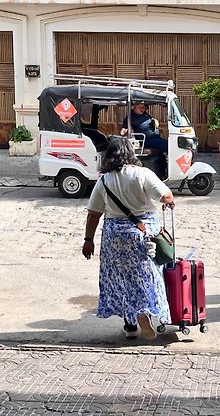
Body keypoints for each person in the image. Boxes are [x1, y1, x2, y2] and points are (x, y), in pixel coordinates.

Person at [82, 136, 174, 340]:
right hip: (143, 235)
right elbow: (166, 196)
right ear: (130, 153)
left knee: (120, 279)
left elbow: (93, 213)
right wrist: (168, 199)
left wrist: (88, 240)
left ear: (109, 156)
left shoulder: (104, 180)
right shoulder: (142, 174)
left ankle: (130, 325)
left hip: (115, 236)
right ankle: (146, 312)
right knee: (147, 276)